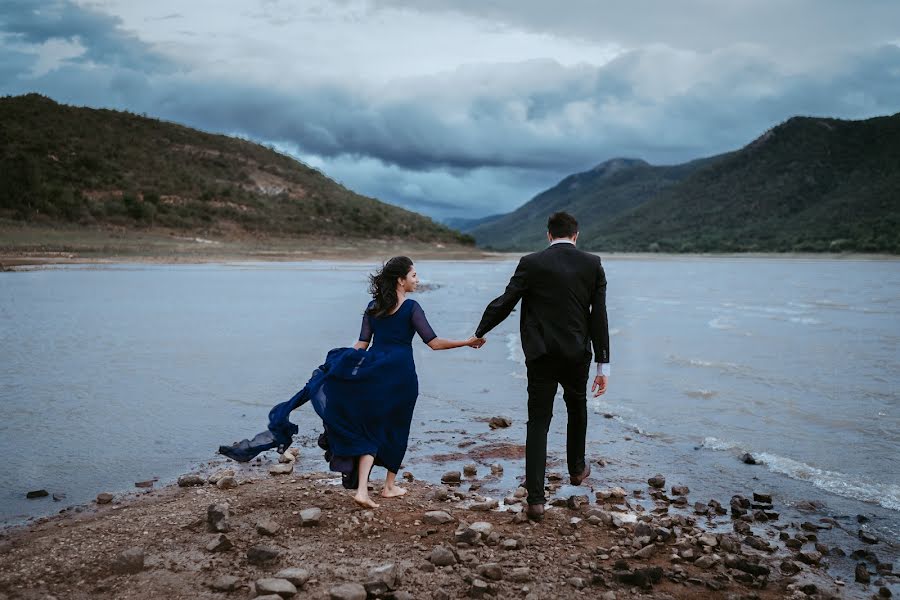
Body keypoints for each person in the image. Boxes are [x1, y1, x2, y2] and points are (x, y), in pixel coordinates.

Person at [473, 212, 609, 521]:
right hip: (576, 354)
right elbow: (598, 317)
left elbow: (506, 301)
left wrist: (480, 332)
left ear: (548, 235)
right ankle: (576, 468)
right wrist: (603, 366)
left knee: (538, 422)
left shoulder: (531, 263)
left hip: (540, 355)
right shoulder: (593, 264)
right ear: (576, 235)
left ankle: (535, 500)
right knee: (577, 407)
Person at [322, 256, 485, 508]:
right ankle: (388, 486)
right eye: (414, 276)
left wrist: (338, 364)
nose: (417, 281)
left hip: (374, 372)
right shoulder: (411, 308)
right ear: (401, 280)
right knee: (398, 426)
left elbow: (361, 344)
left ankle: (364, 490)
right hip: (400, 374)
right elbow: (434, 343)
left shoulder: (373, 307)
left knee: (371, 428)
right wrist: (467, 341)